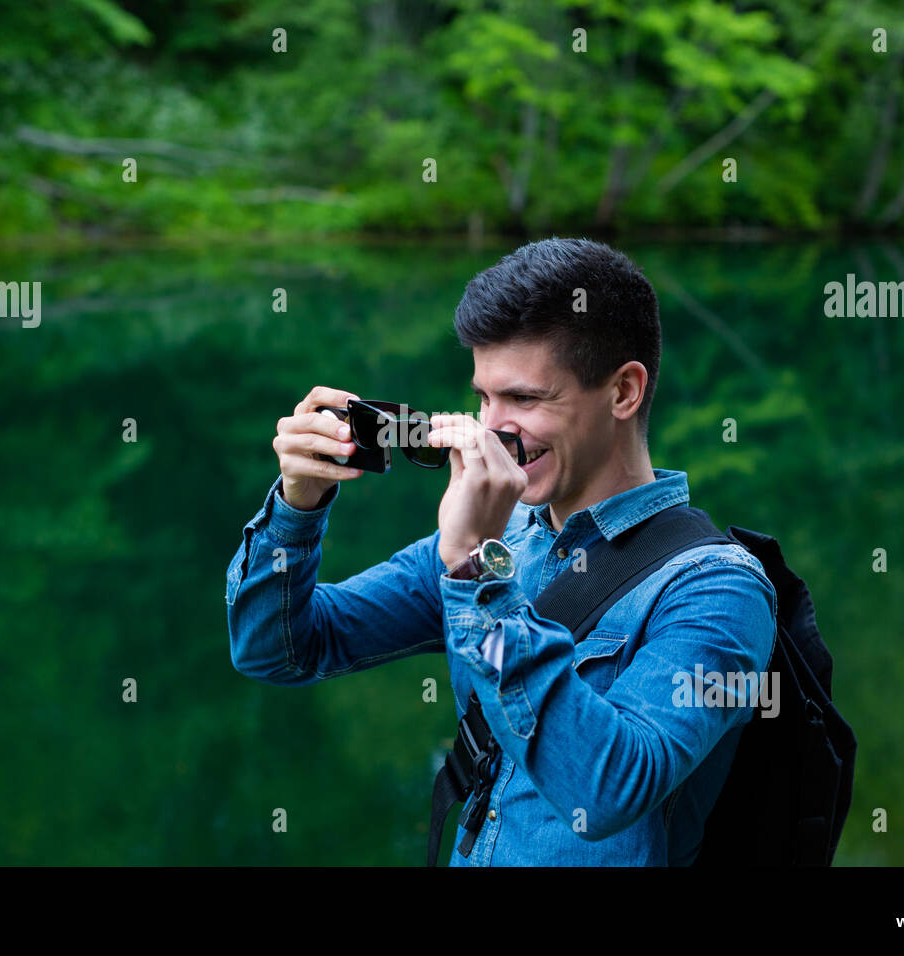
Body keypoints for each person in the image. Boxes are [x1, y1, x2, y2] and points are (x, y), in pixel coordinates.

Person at [226, 237, 777, 865]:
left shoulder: (718, 589)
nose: (491, 426)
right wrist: (298, 506)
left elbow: (608, 789)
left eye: (524, 399)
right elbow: (278, 648)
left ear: (624, 392)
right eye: (484, 397)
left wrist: (473, 566)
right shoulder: (504, 536)